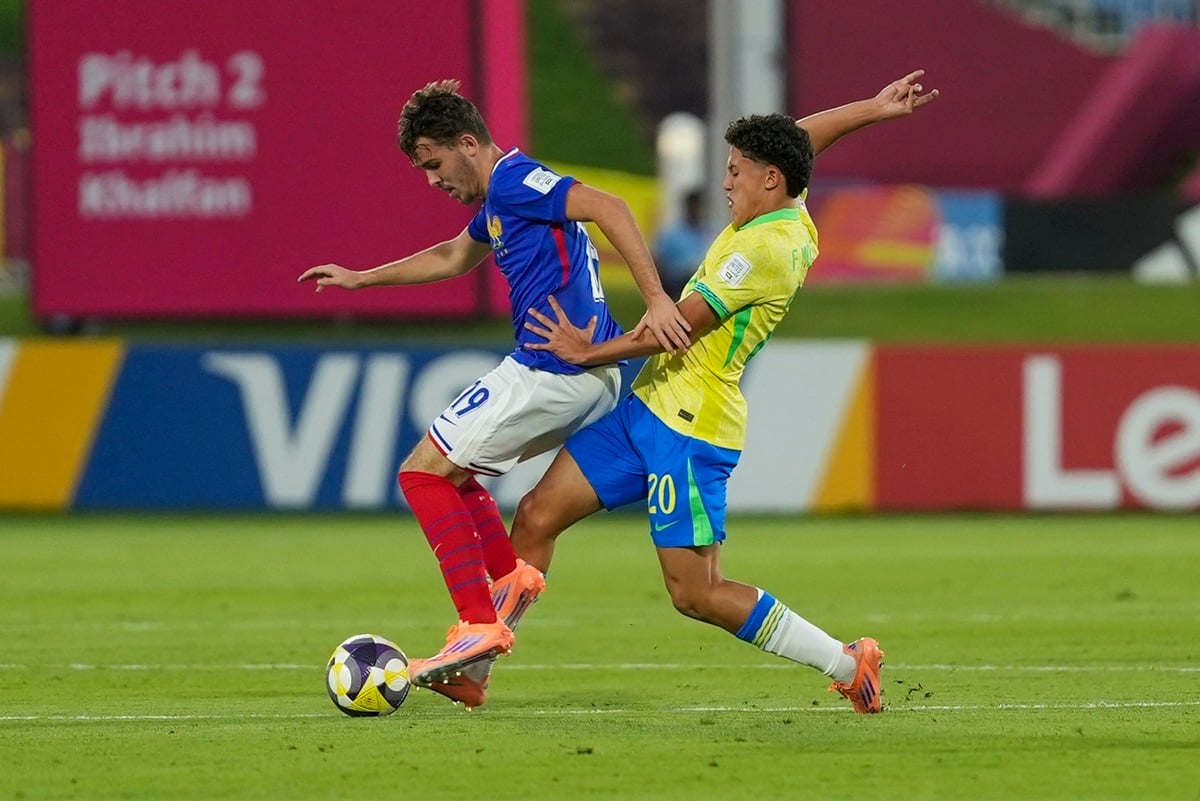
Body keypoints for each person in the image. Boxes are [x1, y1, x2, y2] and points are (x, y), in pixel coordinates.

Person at [500, 71, 940, 714]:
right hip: (647, 409)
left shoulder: (770, 248)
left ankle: (850, 664)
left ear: (770, 180)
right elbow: (798, 142)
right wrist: (871, 108)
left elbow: (676, 329)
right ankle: (479, 656)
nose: (726, 180)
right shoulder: (782, 199)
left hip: (691, 428)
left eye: (736, 169)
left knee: (696, 594)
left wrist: (588, 352)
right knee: (537, 514)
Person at [297, 79, 691, 707]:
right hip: (591, 376)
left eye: (434, 163)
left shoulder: (514, 180)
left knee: (421, 475)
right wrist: (360, 280)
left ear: (467, 143)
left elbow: (611, 206)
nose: (432, 181)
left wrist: (655, 298)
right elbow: (455, 256)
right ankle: (507, 588)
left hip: (549, 368)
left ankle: (479, 623)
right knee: (453, 476)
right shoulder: (499, 205)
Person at [654, 188, 717, 298]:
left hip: (705, 283)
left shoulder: (711, 232)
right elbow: (658, 261)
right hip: (677, 283)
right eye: (694, 206)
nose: (697, 210)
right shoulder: (672, 234)